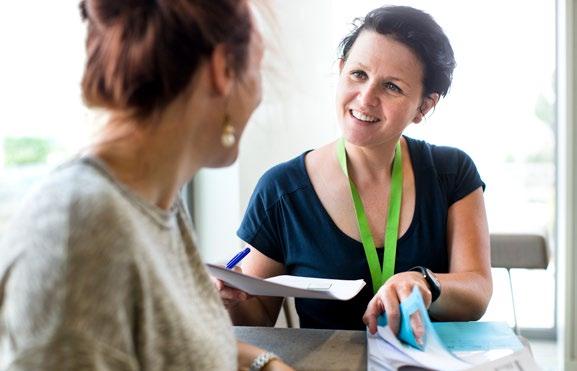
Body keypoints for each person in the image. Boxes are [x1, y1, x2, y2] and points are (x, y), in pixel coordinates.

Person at [0, 0, 293, 370]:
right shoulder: (79, 229)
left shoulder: (161, 203)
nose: (260, 93)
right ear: (222, 70)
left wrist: (264, 363)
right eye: (258, 68)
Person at [217, 5, 492, 340]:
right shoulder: (282, 189)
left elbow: (476, 290)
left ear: (424, 106)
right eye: (358, 75)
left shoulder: (452, 172)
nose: (365, 98)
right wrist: (224, 297)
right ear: (341, 69)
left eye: (391, 86)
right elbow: (256, 317)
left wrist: (423, 282)